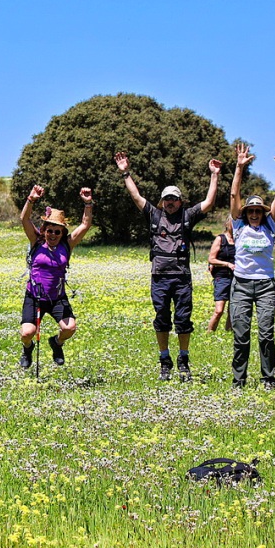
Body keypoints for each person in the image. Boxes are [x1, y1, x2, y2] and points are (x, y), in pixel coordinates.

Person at [117, 152, 221, 381]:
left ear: (180, 201)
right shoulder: (154, 215)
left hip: (182, 278)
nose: (170, 203)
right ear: (162, 201)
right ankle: (165, 360)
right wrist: (125, 172)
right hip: (159, 278)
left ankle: (183, 359)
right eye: (167, 199)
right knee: (161, 318)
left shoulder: (187, 215)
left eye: (174, 199)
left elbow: (209, 202)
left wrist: (214, 175)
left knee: (183, 320)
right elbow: (136, 196)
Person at [228, 144, 275, 390]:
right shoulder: (239, 226)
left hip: (266, 286)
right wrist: (239, 168)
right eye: (251, 210)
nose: (254, 214)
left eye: (258, 211)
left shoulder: (269, 226)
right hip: (241, 285)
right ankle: (238, 380)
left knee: (266, 334)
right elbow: (234, 196)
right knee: (241, 336)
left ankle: (268, 378)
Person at [17, 184, 93, 368]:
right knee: (27, 333)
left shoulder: (67, 245)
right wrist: (31, 199)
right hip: (34, 297)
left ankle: (56, 343)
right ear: (44, 230)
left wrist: (88, 203)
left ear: (62, 232)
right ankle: (27, 349)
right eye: (49, 230)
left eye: (57, 231)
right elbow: (24, 218)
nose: (53, 234)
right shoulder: (36, 242)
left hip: (57, 298)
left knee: (69, 328)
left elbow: (85, 224)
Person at [207, 219, 235, 332]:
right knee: (219, 310)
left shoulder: (240, 239)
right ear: (227, 224)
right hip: (222, 277)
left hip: (236, 278)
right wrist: (227, 264)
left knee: (232, 310)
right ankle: (209, 333)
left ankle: (229, 333)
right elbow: (211, 259)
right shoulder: (220, 239)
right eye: (233, 222)